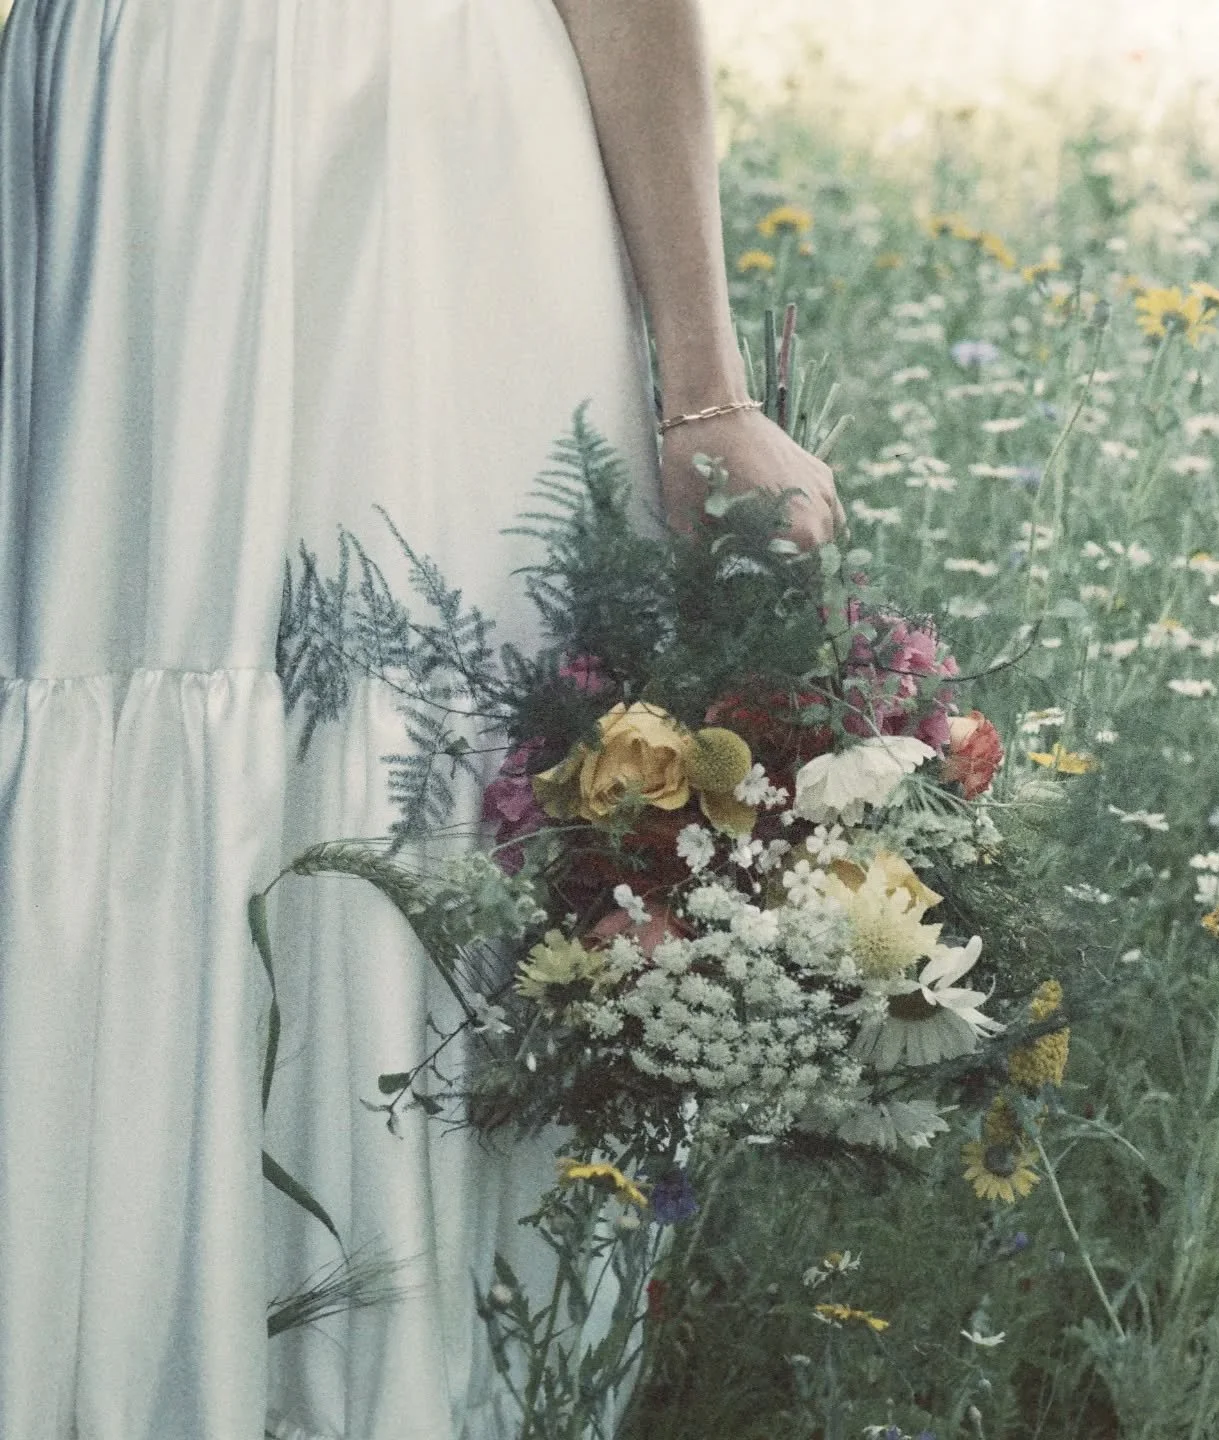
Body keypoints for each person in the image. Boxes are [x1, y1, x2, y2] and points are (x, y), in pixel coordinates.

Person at [0, 1, 842, 1437]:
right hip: (381, 108)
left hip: (146, 93)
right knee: (400, 726)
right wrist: (702, 396)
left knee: (272, 690)